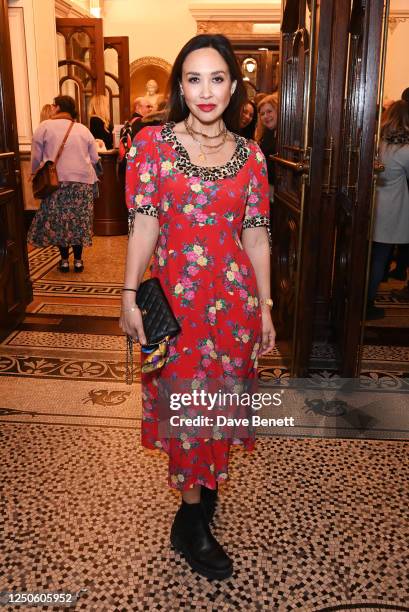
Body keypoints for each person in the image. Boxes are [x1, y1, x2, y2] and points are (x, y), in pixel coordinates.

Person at [119, 33, 275, 581]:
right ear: (180, 87)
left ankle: (202, 494)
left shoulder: (251, 155)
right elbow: (144, 226)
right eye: (193, 79)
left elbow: (257, 236)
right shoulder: (153, 147)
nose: (205, 91)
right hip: (178, 310)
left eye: (217, 79)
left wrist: (267, 307)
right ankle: (191, 521)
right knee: (185, 408)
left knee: (221, 401)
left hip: (234, 308)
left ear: (234, 86)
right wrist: (128, 292)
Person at [28, 95, 99, 273]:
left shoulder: (44, 127)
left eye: (53, 105)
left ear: (57, 107)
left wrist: (34, 171)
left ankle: (64, 261)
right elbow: (94, 158)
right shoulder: (83, 129)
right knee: (78, 222)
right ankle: (79, 261)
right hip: (82, 183)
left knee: (60, 222)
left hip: (56, 182)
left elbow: (36, 156)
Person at [367, 99, 409, 318]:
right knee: (380, 258)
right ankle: (367, 303)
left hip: (373, 203)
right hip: (392, 209)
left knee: (370, 256)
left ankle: (359, 297)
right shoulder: (405, 150)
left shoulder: (378, 143)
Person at [118, 97, 153, 170]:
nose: (151, 109)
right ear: (138, 107)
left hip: (126, 164)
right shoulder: (143, 123)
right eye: (148, 106)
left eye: (151, 107)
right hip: (138, 165)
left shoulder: (127, 123)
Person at [255, 94, 278, 196]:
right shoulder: (266, 132)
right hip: (266, 185)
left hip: (278, 188)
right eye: (262, 113)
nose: (265, 116)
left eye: (269, 111)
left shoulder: (285, 133)